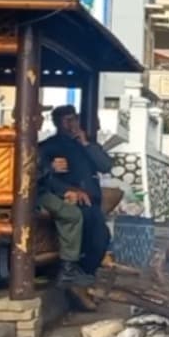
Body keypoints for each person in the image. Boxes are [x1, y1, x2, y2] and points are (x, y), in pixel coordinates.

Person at [38, 105, 114, 286]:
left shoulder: (87, 144)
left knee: (102, 236)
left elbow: (105, 166)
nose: (71, 124)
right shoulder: (49, 146)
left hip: (92, 199)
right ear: (57, 122)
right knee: (87, 231)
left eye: (73, 119)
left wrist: (86, 144)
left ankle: (87, 272)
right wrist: (65, 190)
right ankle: (74, 271)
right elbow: (43, 176)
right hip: (69, 198)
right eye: (66, 120)